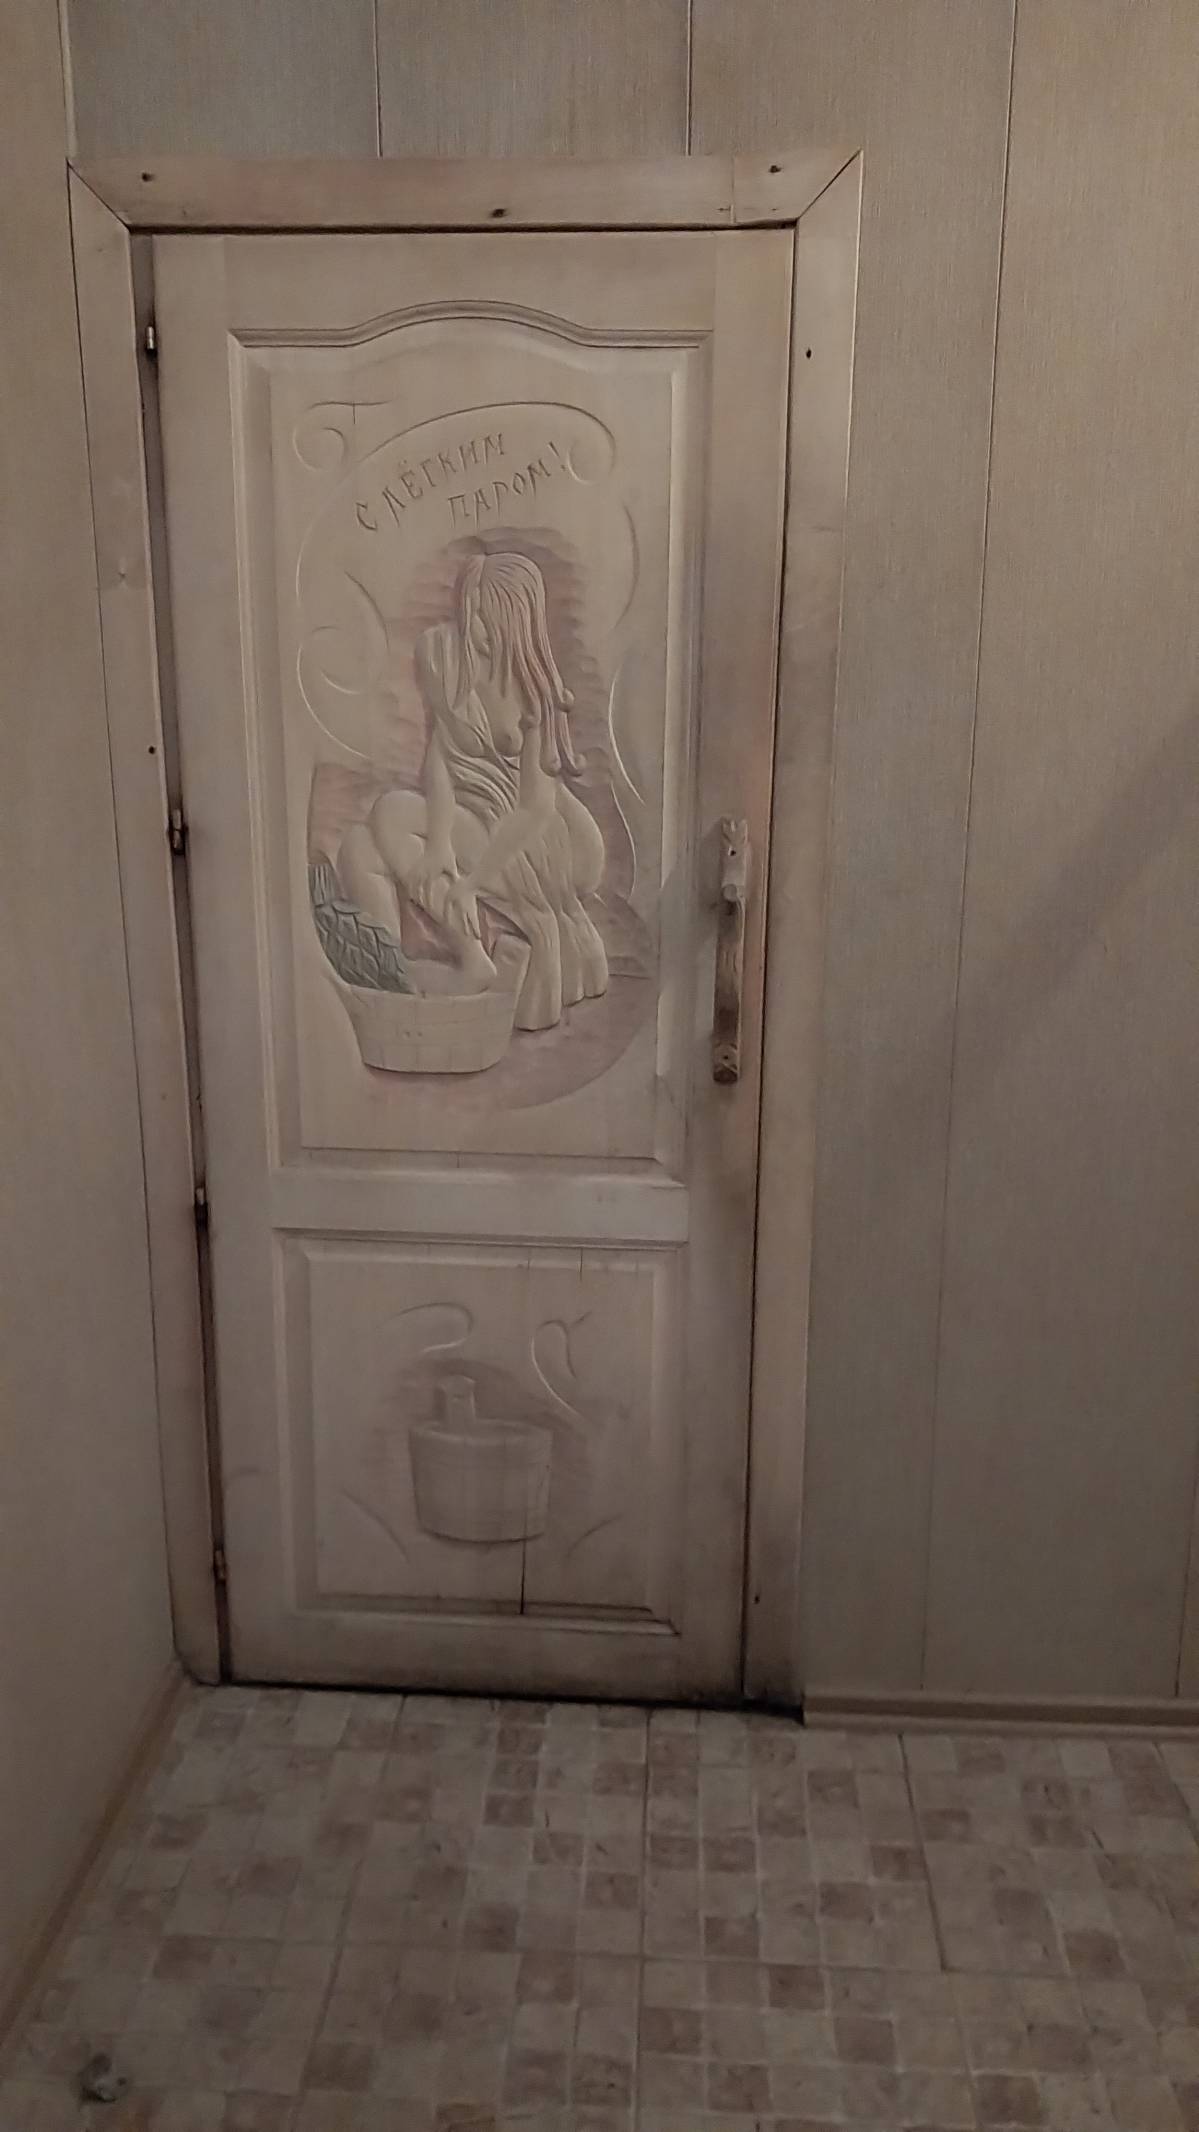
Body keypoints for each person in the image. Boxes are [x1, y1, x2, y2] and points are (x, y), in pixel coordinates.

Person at [340, 549, 609, 1032]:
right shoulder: (442, 652)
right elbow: (441, 751)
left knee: (390, 813)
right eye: (471, 612)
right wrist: (440, 842)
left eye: (487, 617)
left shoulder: (535, 692)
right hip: (474, 806)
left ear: (516, 620)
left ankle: (473, 961)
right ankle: (390, 979)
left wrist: (471, 883)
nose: (475, 627)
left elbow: (535, 809)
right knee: (361, 846)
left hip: (543, 836)